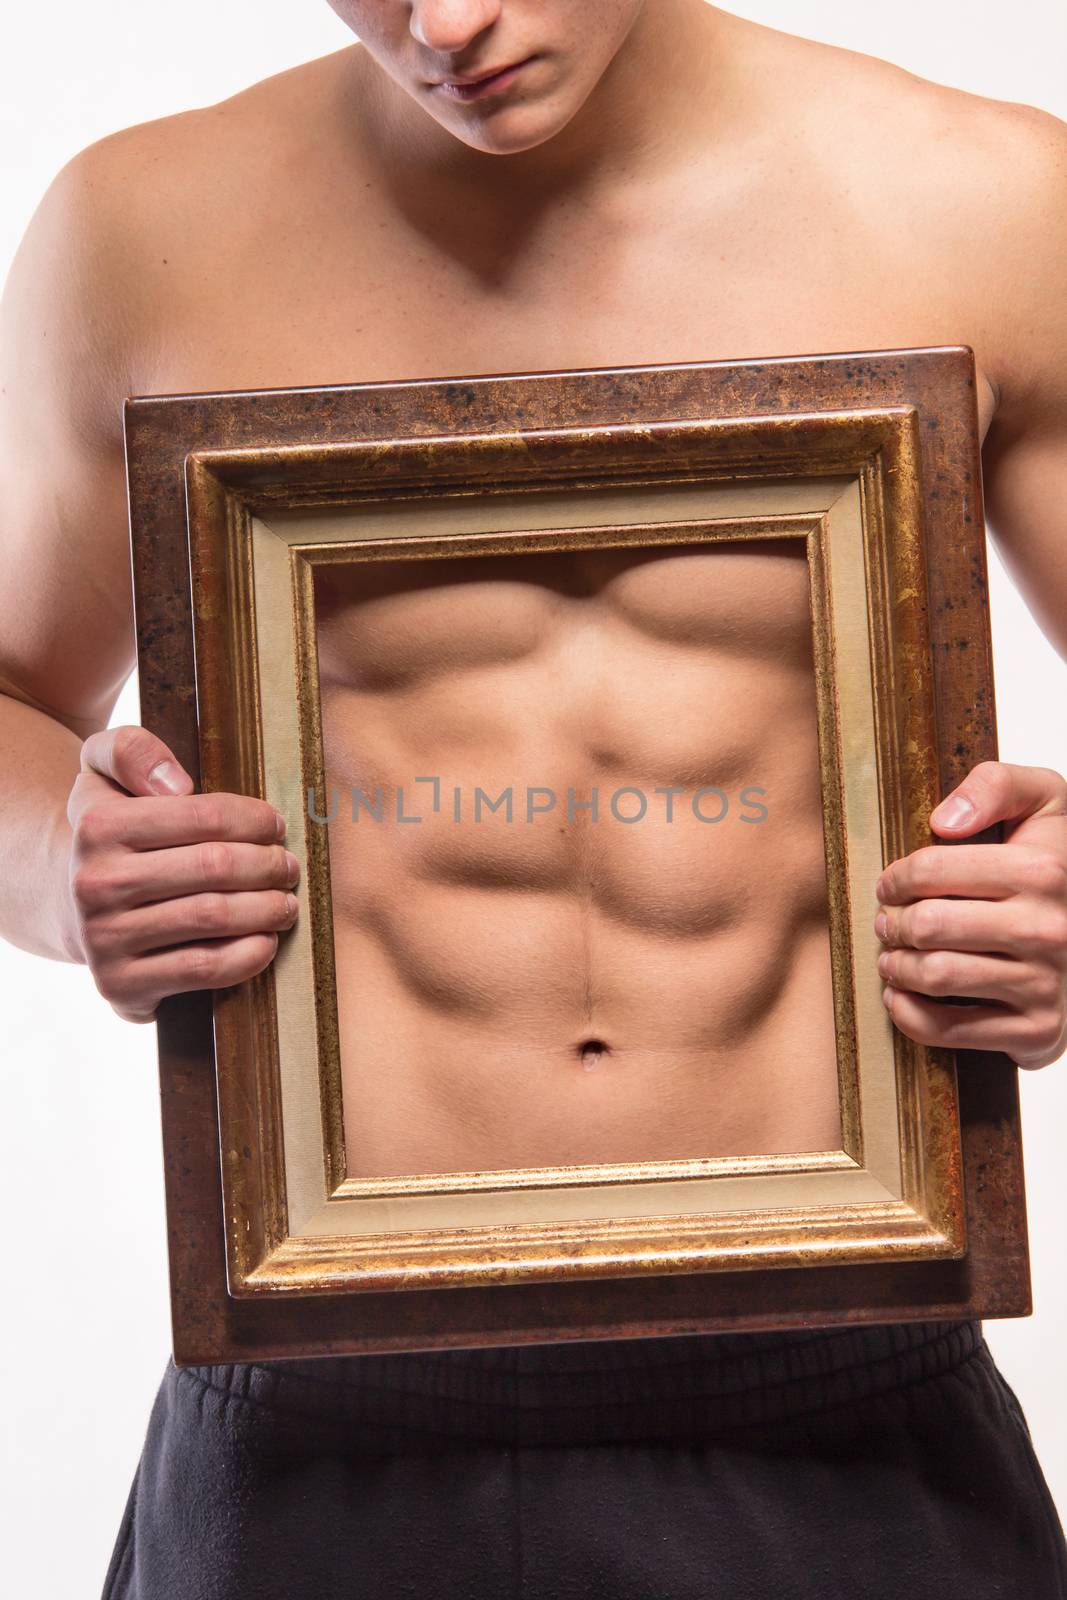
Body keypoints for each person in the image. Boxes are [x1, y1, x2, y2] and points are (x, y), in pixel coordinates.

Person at [2, 2, 1066, 1595]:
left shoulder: (981, 203)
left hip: (842, 1387)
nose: (447, 22)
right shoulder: (142, 231)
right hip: (311, 1408)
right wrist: (56, 865)